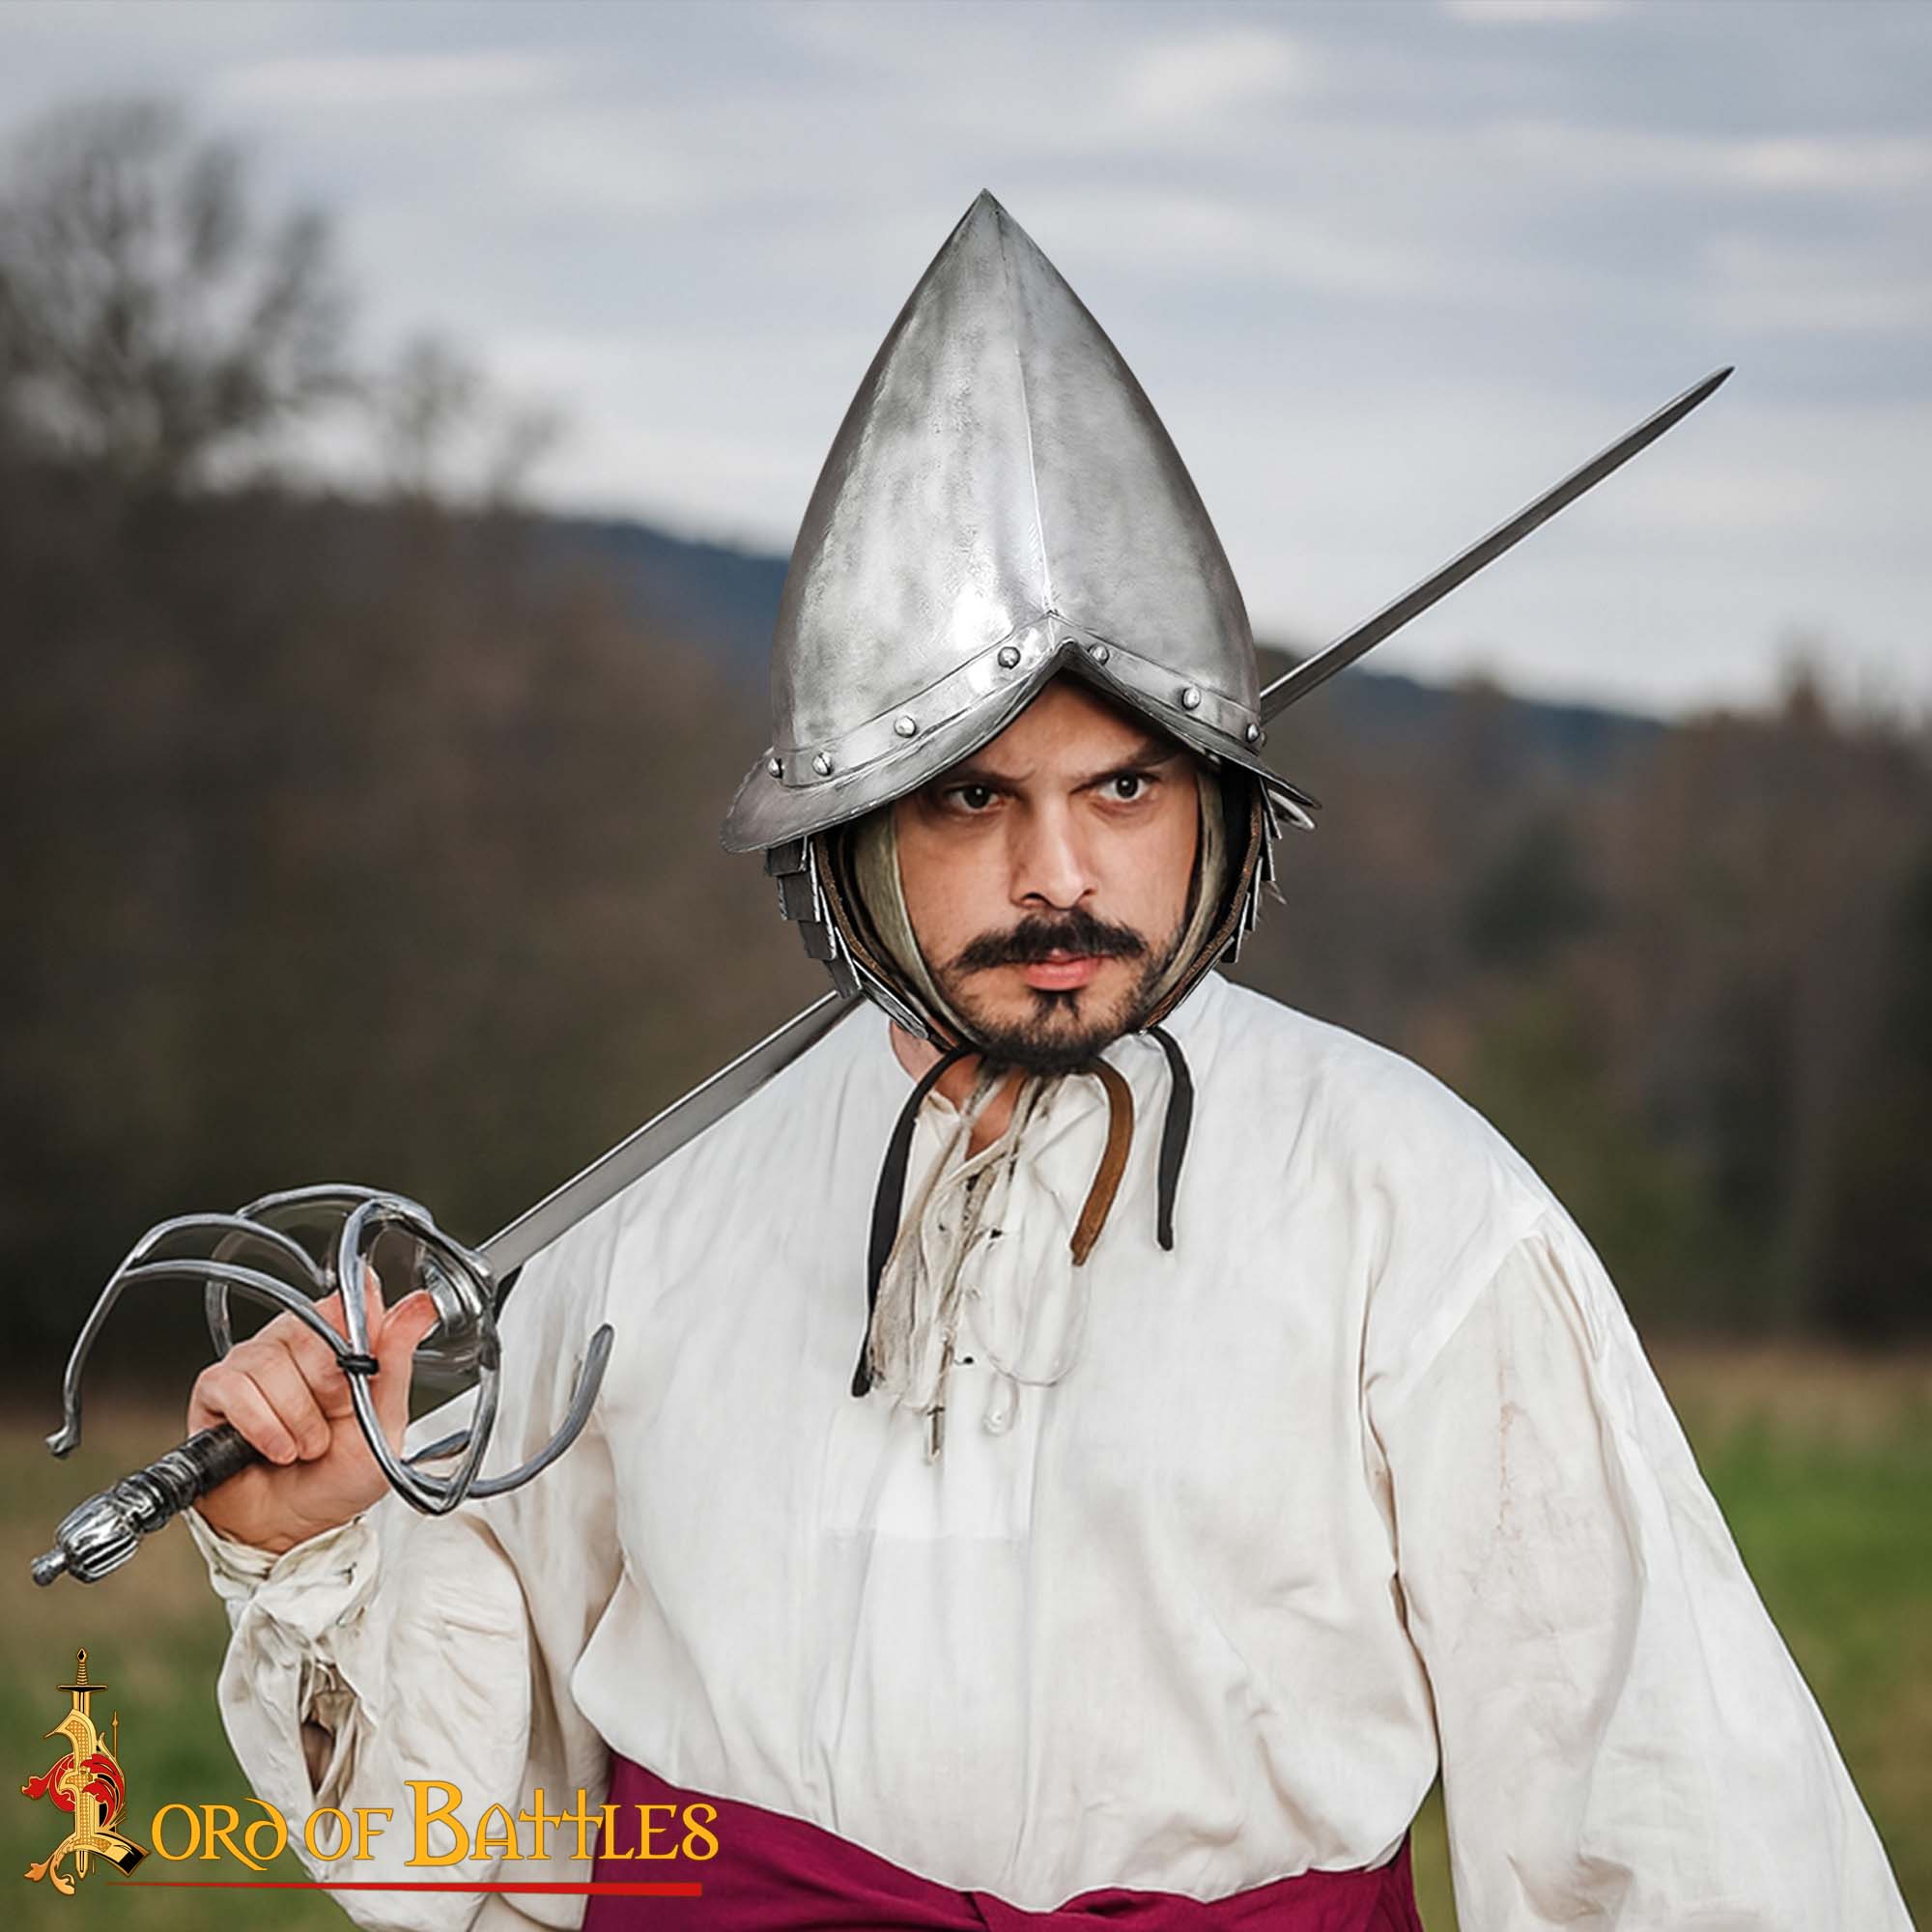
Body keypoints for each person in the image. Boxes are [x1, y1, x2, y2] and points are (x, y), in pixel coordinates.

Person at [185, 195, 1911, 1932]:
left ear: (1218, 811)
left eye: (1123, 788)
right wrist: (306, 1545)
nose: (1058, 876)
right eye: (971, 797)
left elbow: (1658, 1795)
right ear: (854, 839)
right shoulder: (652, 1227)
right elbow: (455, 1838)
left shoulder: (1415, 1206)